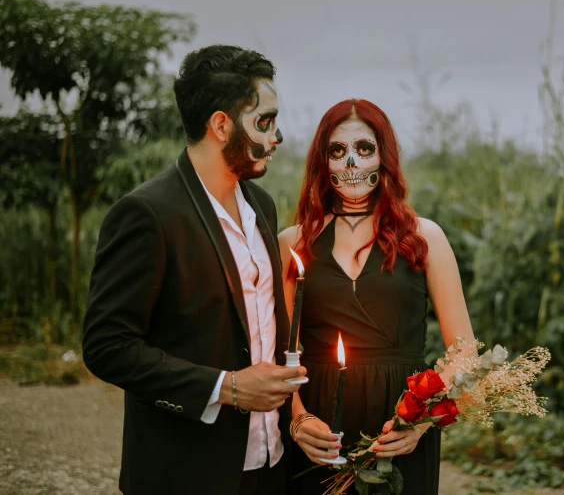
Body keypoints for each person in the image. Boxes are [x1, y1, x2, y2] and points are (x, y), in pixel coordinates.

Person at [82, 45, 306, 495]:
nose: (277, 137)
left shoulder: (261, 205)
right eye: (264, 121)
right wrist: (227, 388)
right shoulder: (147, 213)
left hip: (272, 463)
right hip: (187, 472)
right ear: (221, 125)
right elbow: (107, 346)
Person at [278, 99, 476, 494]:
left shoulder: (425, 237)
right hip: (318, 430)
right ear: (323, 161)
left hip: (400, 429)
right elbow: (275, 354)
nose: (351, 162)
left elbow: (464, 349)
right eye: (338, 151)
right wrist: (297, 420)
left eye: (364, 149)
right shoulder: (293, 243)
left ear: (384, 156)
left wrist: (420, 421)